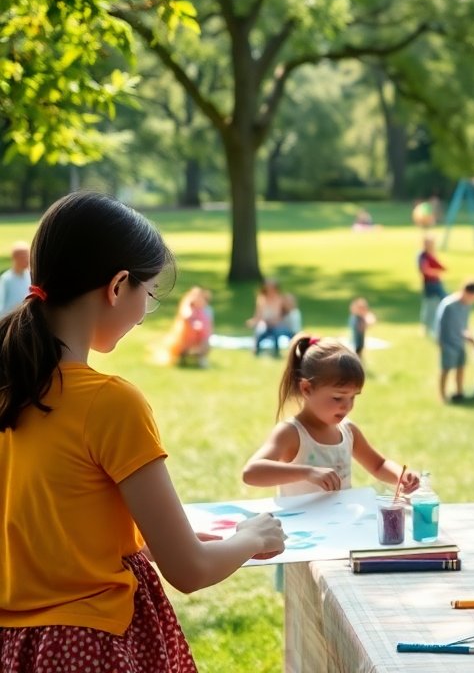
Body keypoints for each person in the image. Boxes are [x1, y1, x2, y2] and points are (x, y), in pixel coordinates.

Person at [0, 191, 286, 669]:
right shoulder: (110, 403)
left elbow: (41, 519)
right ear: (117, 286)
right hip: (90, 647)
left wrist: (141, 540)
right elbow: (190, 570)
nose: (143, 311)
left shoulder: (11, 384)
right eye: (148, 295)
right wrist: (252, 537)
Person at [242, 335, 419, 497]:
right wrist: (307, 472)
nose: (347, 406)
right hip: (302, 528)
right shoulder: (292, 433)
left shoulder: (348, 431)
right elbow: (251, 473)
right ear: (306, 389)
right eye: (337, 397)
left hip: (340, 526)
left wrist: (401, 475)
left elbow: (378, 465)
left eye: (353, 397)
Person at [435, 281, 474, 403]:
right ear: (466, 292)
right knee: (446, 368)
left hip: (460, 341)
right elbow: (440, 325)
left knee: (461, 367)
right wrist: (440, 342)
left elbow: (463, 325)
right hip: (448, 342)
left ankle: (459, 392)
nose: (473, 300)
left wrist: (470, 338)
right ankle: (442, 395)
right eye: (473, 297)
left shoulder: (467, 306)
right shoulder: (448, 304)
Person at [162, 286, 213, 368]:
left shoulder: (205, 309)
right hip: (186, 335)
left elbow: (208, 325)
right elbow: (186, 315)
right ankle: (183, 356)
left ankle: (200, 357)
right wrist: (189, 306)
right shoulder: (188, 307)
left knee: (205, 340)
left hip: (200, 334)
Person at [248, 278, 294, 357]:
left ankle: (277, 352)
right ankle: (256, 350)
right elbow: (258, 315)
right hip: (266, 324)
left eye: (272, 288)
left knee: (277, 332)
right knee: (259, 332)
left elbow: (287, 312)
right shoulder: (261, 299)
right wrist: (253, 322)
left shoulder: (280, 299)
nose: (270, 290)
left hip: (278, 324)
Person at [417, 237, 446, 336]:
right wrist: (435, 272)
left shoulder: (431, 255)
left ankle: (435, 326)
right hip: (430, 284)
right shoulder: (423, 256)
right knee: (430, 305)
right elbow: (425, 270)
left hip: (436, 283)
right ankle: (427, 327)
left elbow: (442, 267)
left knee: (440, 303)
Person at [0, 241, 31, 315]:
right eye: (23, 257)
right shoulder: (6, 279)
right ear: (15, 258)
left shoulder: (30, 276)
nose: (27, 260)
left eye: (28, 256)